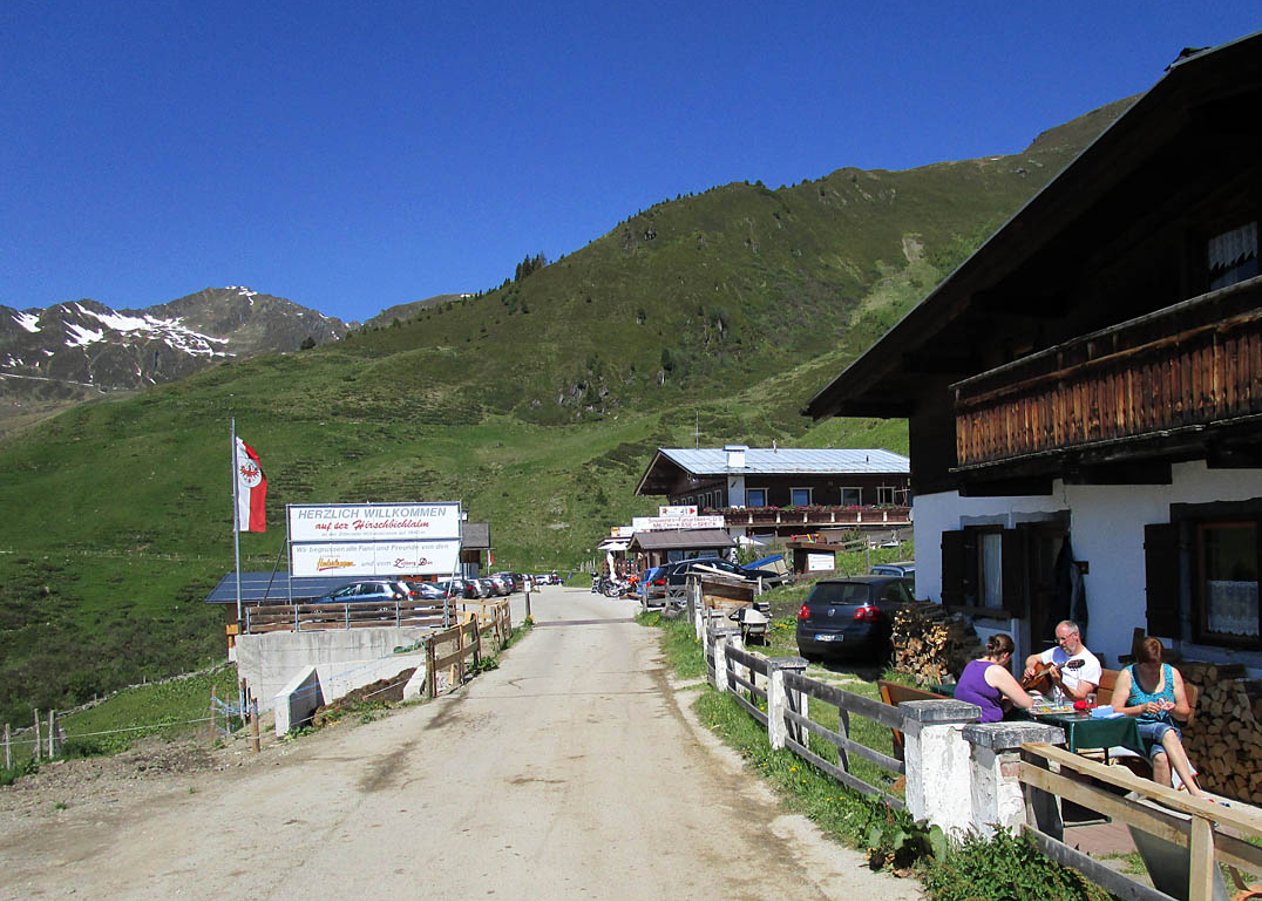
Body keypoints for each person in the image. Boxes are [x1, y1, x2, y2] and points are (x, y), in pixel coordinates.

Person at [1112, 637, 1205, 798]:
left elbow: (1184, 713)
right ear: (1140, 662)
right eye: (1149, 667)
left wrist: (1173, 708)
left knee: (1161, 758)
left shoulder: (1171, 674)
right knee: (1164, 730)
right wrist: (1141, 708)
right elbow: (1115, 711)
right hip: (1137, 729)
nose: (1154, 671)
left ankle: (1164, 804)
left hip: (1164, 735)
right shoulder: (1128, 675)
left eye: (1157, 666)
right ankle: (1193, 789)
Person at [955, 633, 1035, 723]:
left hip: (965, 720)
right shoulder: (996, 671)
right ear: (1005, 655)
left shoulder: (971, 664)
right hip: (986, 724)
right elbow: (1026, 703)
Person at [1022, 619, 1102, 701]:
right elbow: (1032, 658)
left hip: (1070, 707)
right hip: (1048, 699)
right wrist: (1030, 667)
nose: (1060, 643)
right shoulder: (1057, 651)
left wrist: (1060, 684)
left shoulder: (1090, 662)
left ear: (1076, 635)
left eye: (1063, 639)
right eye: (1058, 639)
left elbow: (1081, 696)